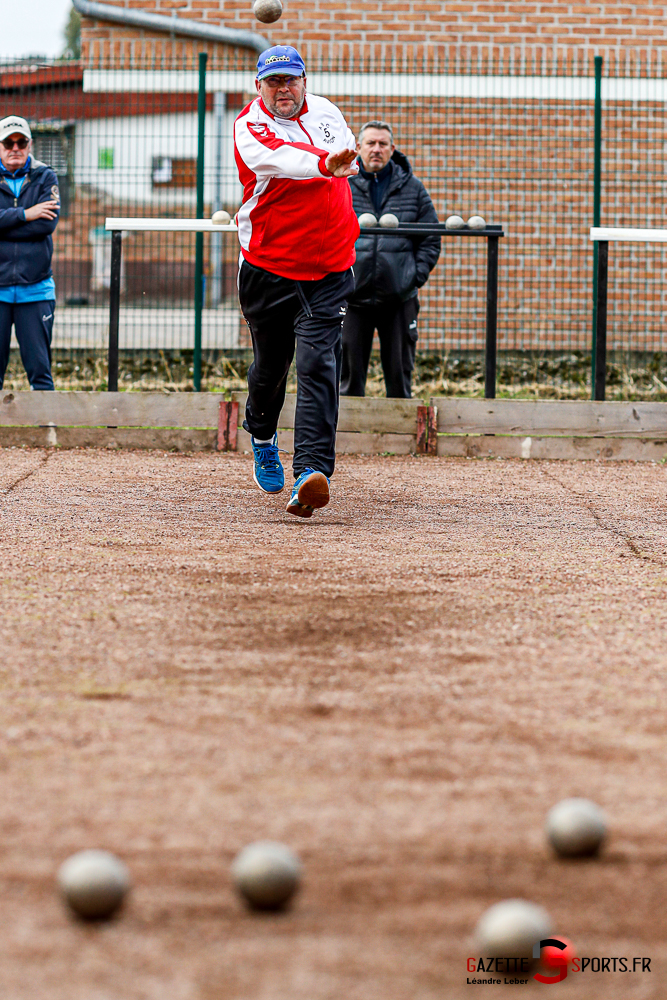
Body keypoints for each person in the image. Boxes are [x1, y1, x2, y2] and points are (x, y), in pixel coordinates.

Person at [234, 45, 359, 518]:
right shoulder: (249, 126)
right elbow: (287, 159)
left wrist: (342, 161)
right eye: (273, 82)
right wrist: (327, 164)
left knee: (317, 363)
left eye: (290, 80)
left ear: (304, 80)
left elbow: (342, 152)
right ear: (259, 86)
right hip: (269, 267)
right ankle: (263, 436)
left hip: (329, 268)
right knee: (271, 366)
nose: (282, 89)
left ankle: (310, 472)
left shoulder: (326, 109)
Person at [341, 121, 441, 398]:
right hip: (351, 296)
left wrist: (412, 276)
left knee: (399, 375)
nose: (376, 149)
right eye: (370, 143)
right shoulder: (342, 185)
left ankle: (403, 438)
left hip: (399, 298)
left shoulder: (412, 188)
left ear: (392, 149)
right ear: (358, 147)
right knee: (346, 376)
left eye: (382, 144)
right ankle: (346, 437)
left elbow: (431, 239)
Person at [0, 115, 60, 391]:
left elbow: (47, 224)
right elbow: (35, 220)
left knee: (40, 372)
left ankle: (48, 433)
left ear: (29, 144)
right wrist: (26, 214)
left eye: (21, 142)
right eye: (8, 142)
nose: (15, 148)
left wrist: (7, 222)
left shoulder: (45, 176)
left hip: (35, 290)